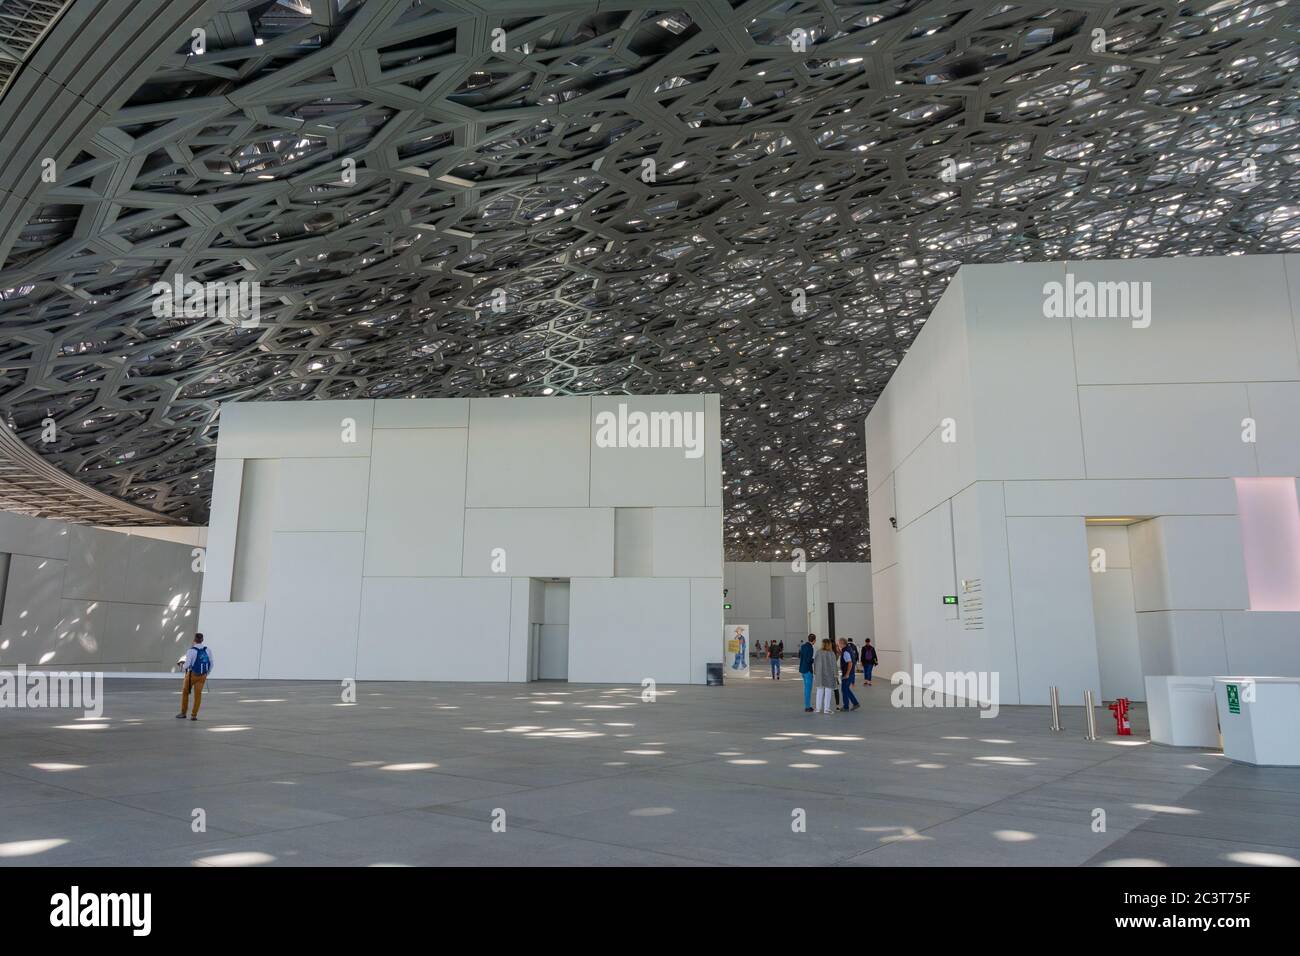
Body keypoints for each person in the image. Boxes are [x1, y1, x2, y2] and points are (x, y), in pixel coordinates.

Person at [176, 633, 213, 721]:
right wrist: (207, 673)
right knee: (198, 695)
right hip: (203, 676)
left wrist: (181, 664)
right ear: (202, 640)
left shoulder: (191, 651)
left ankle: (183, 713)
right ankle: (194, 715)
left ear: (194, 640)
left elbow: (187, 665)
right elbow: (211, 663)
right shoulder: (208, 650)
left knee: (185, 692)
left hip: (192, 675)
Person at [813, 638, 839, 714]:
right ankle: (826, 709)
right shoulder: (831, 653)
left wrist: (815, 672)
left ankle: (818, 708)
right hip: (829, 675)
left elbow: (815, 663)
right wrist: (836, 674)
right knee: (828, 691)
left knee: (819, 691)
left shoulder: (818, 652)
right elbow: (834, 665)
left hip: (819, 675)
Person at [838, 638, 860, 711]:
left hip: (848, 674)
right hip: (851, 673)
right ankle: (855, 703)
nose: (838, 644)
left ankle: (846, 706)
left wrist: (847, 674)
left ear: (842, 644)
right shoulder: (848, 649)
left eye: (839, 643)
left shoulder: (846, 652)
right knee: (846, 689)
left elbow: (850, 663)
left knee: (844, 689)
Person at [798, 634, 816, 712]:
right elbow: (809, 660)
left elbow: (801, 656)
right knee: (808, 689)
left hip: (802, 669)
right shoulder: (810, 648)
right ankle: (807, 707)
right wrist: (814, 660)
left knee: (806, 689)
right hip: (808, 670)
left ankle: (807, 705)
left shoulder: (803, 646)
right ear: (814, 640)